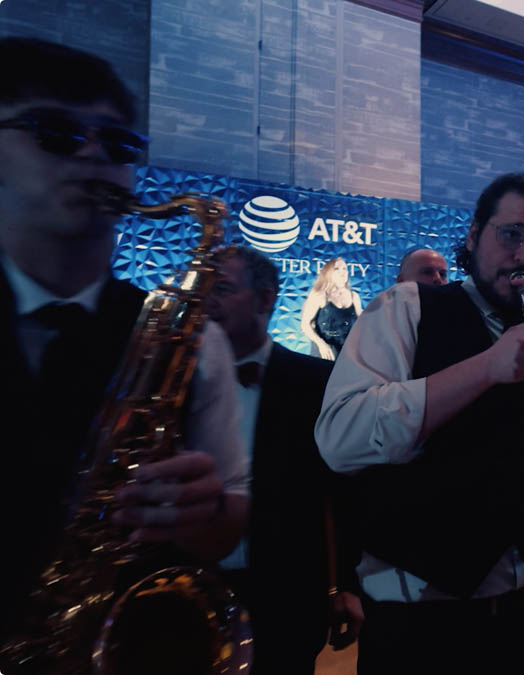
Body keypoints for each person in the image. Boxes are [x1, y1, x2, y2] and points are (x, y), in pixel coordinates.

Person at [314, 172, 524, 674]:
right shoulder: (405, 307)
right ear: (473, 237)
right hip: (425, 627)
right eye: (510, 234)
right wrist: (486, 367)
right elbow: (340, 438)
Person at [0, 37, 249, 669]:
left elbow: (228, 525)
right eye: (56, 133)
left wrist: (205, 513)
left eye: (118, 144)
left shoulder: (196, 340)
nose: (94, 156)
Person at [205, 245, 363, 672]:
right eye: (203, 288)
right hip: (185, 589)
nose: (206, 300)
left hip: (286, 592)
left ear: (265, 300)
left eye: (221, 288)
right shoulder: (170, 376)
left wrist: (345, 586)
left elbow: (343, 491)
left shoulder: (316, 381)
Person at [301, 257, 362, 360]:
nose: (342, 272)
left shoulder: (354, 296)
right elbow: (305, 325)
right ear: (329, 273)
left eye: (344, 268)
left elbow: (361, 323)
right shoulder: (319, 295)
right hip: (325, 354)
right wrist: (321, 344)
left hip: (347, 353)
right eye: (337, 268)